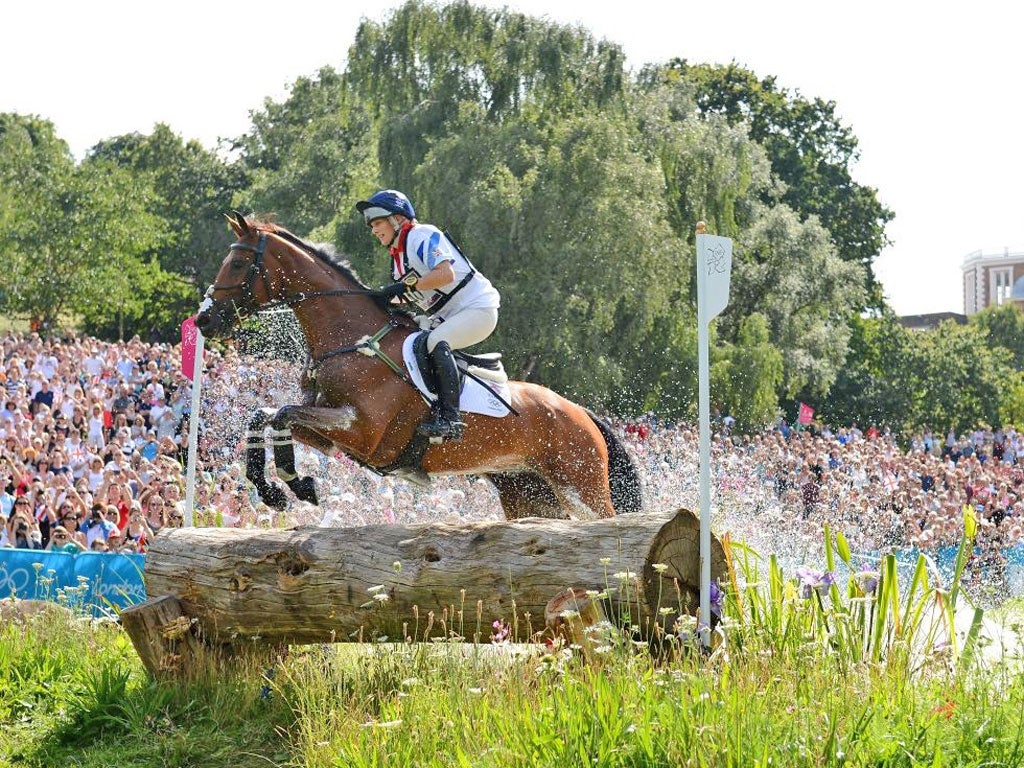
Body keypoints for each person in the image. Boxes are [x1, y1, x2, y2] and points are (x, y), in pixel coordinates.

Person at [354, 189, 501, 441]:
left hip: (478, 308)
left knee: (435, 342)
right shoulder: (398, 259)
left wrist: (404, 287)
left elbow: (446, 275)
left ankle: (451, 419)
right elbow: (413, 295)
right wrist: (380, 298)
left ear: (397, 219)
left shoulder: (421, 236)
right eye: (371, 226)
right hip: (447, 316)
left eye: (377, 222)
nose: (373, 230)